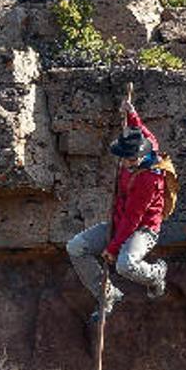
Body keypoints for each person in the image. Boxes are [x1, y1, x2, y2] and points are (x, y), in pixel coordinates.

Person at [66, 97, 169, 323]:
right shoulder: (146, 143)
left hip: (143, 229)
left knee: (125, 265)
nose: (125, 163)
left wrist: (112, 248)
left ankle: (156, 274)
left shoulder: (148, 179)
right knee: (75, 247)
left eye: (130, 160)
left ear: (142, 155)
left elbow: (133, 219)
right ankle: (107, 294)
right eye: (123, 158)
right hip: (119, 223)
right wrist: (131, 113)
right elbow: (138, 129)